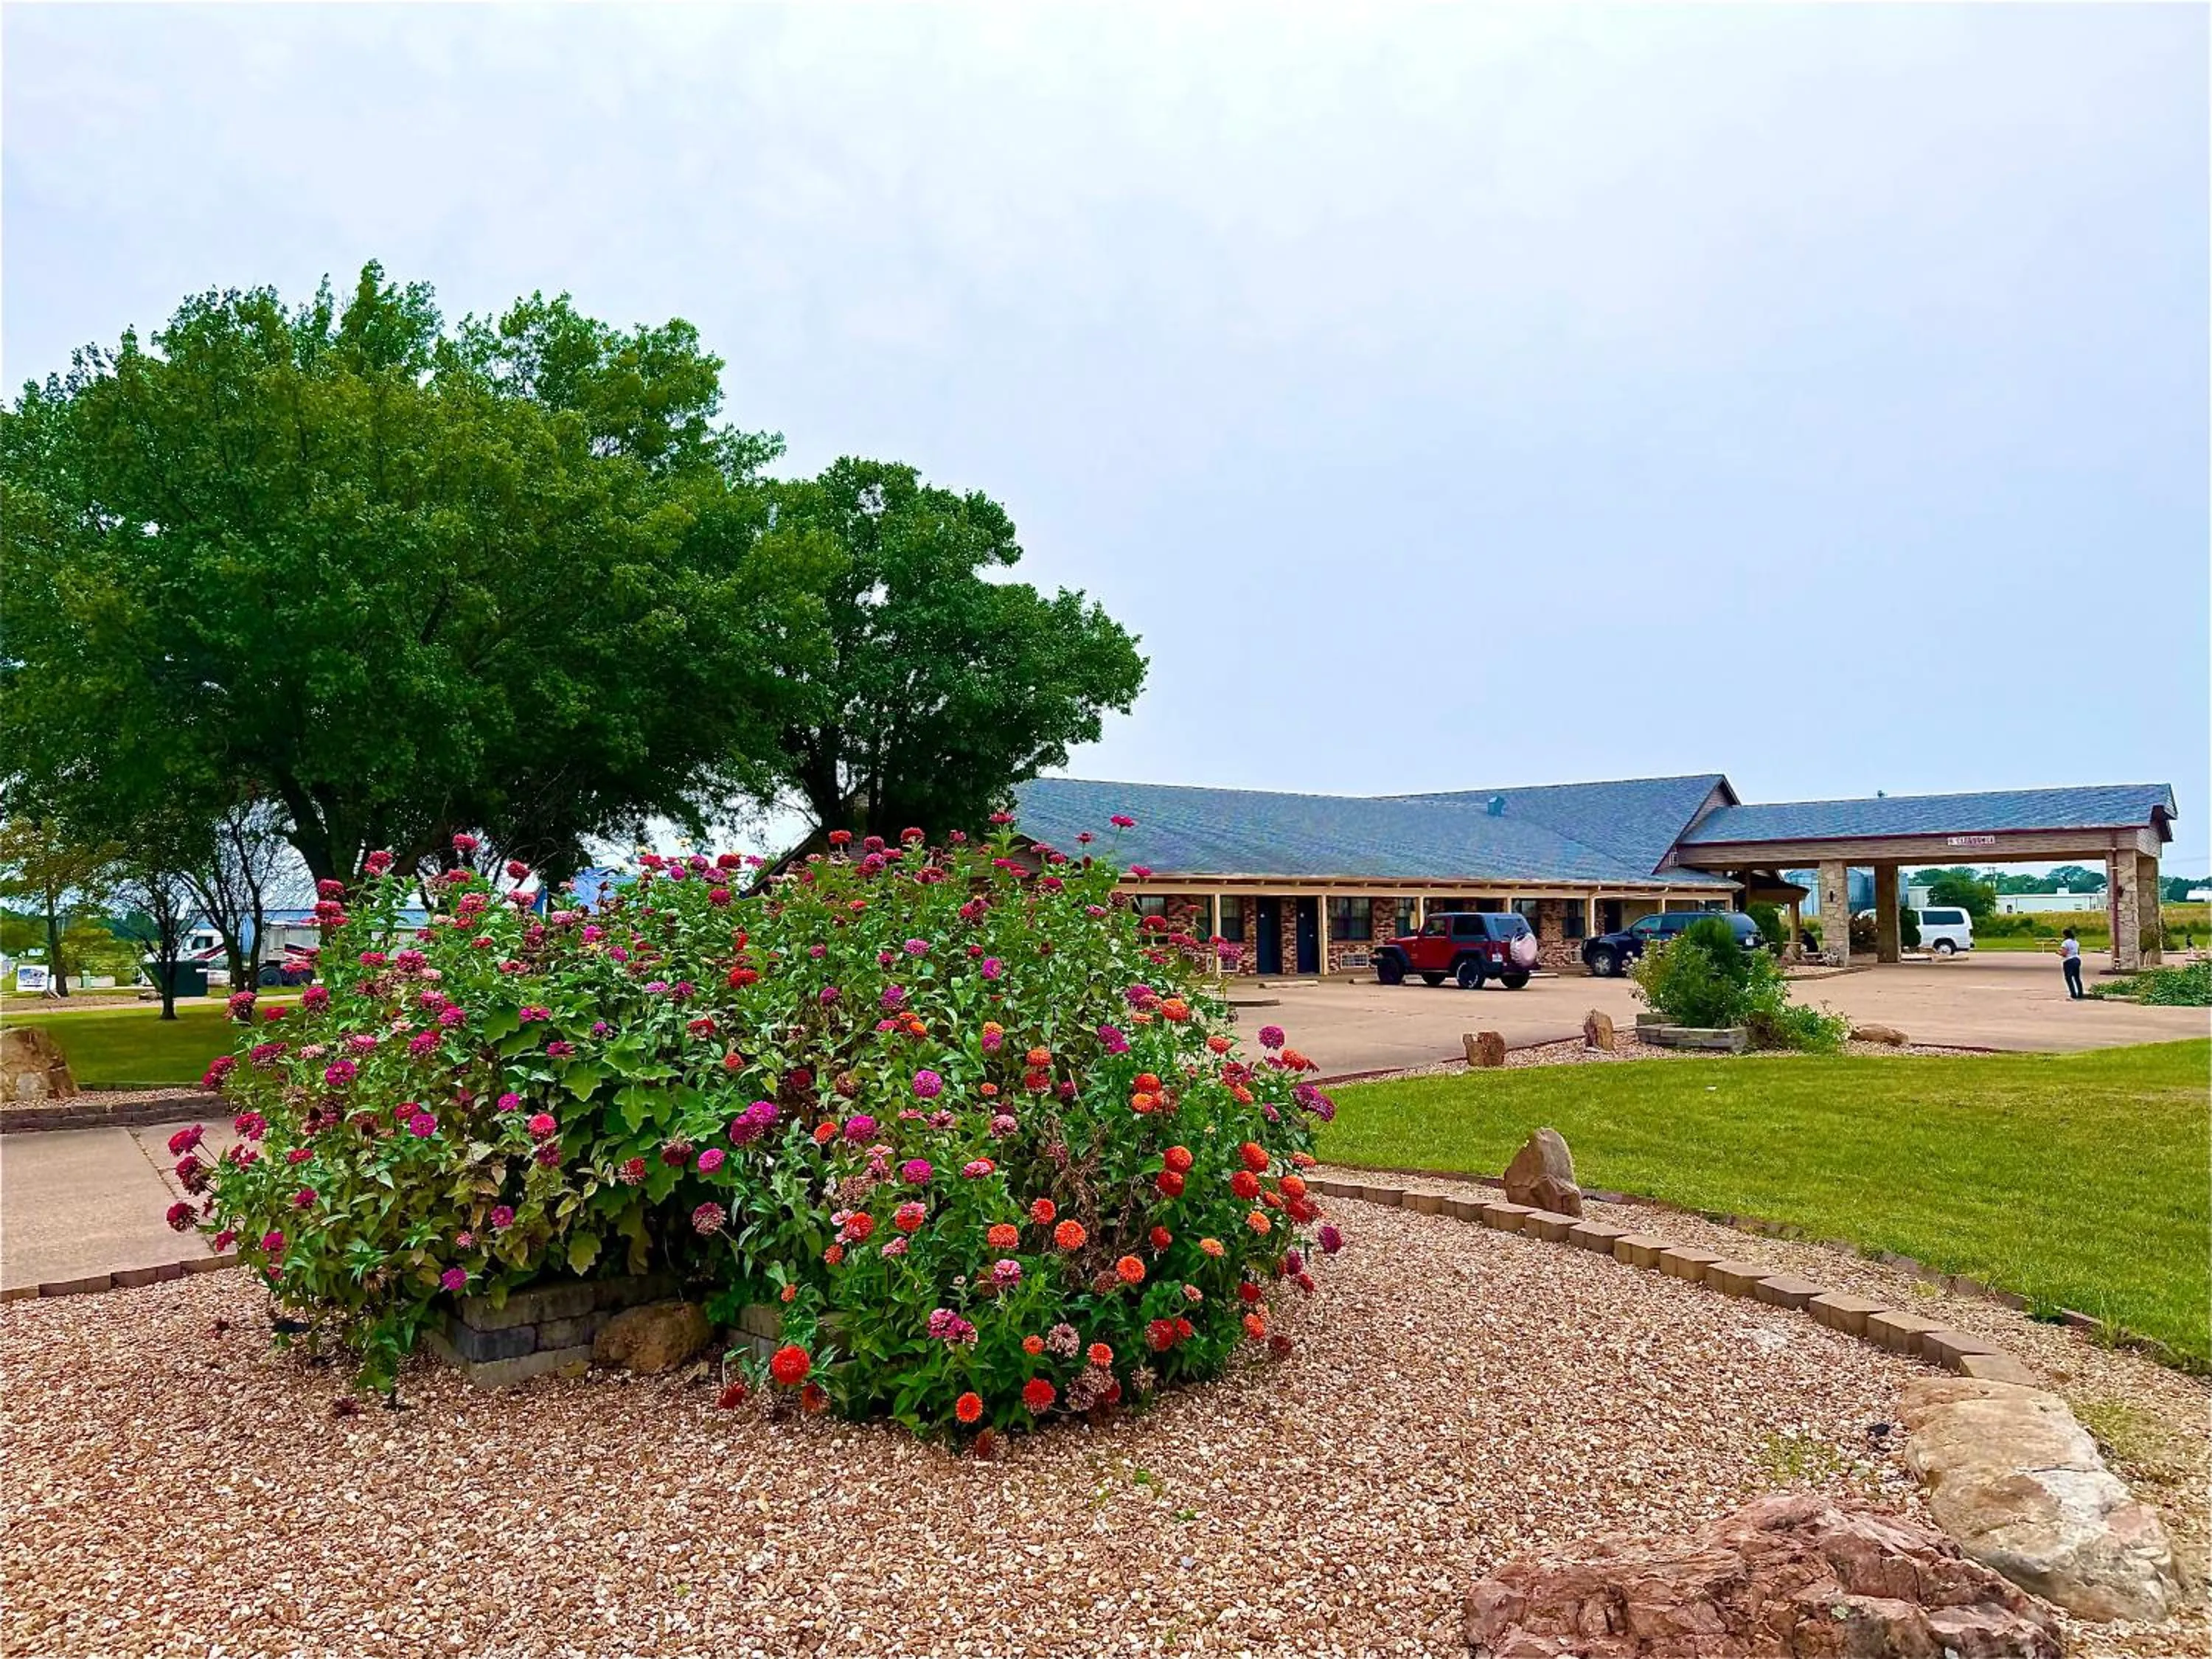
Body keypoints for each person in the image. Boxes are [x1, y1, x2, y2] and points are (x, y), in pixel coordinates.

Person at [2059, 927, 2084, 1001]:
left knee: (2069, 978)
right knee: (2077, 978)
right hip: (2077, 959)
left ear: (2065, 935)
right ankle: (2080, 994)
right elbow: (2078, 952)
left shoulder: (2065, 942)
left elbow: (2064, 953)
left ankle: (2073, 994)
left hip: (2069, 961)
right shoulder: (2076, 942)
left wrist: (2059, 953)